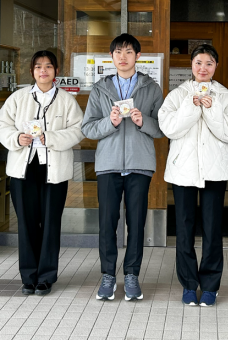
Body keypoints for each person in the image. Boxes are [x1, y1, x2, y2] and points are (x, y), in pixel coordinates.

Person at [0, 50, 84, 296]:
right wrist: (16, 138)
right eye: (38, 67)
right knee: (26, 223)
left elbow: (78, 129)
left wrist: (50, 137)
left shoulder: (66, 100)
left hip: (54, 170)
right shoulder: (18, 97)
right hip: (23, 169)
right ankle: (28, 276)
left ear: (56, 71)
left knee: (51, 223)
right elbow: (1, 124)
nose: (43, 71)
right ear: (32, 71)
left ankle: (46, 276)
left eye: (48, 66)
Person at [81, 33, 163, 302]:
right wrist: (110, 122)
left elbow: (162, 128)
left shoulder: (151, 88)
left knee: (136, 223)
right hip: (108, 163)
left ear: (138, 56)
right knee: (107, 223)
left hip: (140, 164)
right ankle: (107, 276)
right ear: (111, 56)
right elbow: (88, 128)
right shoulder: (100, 88)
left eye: (128, 52)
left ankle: (131, 275)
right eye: (118, 52)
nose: (123, 57)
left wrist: (143, 122)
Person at [159, 44, 228, 307]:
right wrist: (191, 107)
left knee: (212, 229)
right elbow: (170, 129)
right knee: (184, 229)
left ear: (216, 66)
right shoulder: (177, 95)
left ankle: (210, 286)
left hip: (214, 172)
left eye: (208, 63)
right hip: (183, 172)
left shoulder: (225, 96)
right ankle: (188, 283)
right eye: (198, 63)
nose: (203, 68)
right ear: (191, 65)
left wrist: (212, 108)